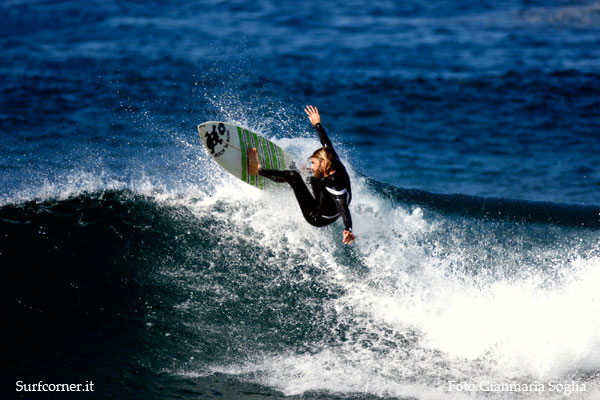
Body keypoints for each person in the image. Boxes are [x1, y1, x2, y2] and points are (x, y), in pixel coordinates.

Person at [247, 105, 355, 245]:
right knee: (311, 176)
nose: (312, 166)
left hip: (318, 217)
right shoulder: (333, 161)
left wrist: (348, 230)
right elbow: (326, 143)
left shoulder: (334, 186)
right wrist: (317, 124)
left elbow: (343, 207)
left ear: (323, 163)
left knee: (293, 175)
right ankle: (298, 184)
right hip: (329, 208)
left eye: (314, 163)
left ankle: (257, 170)